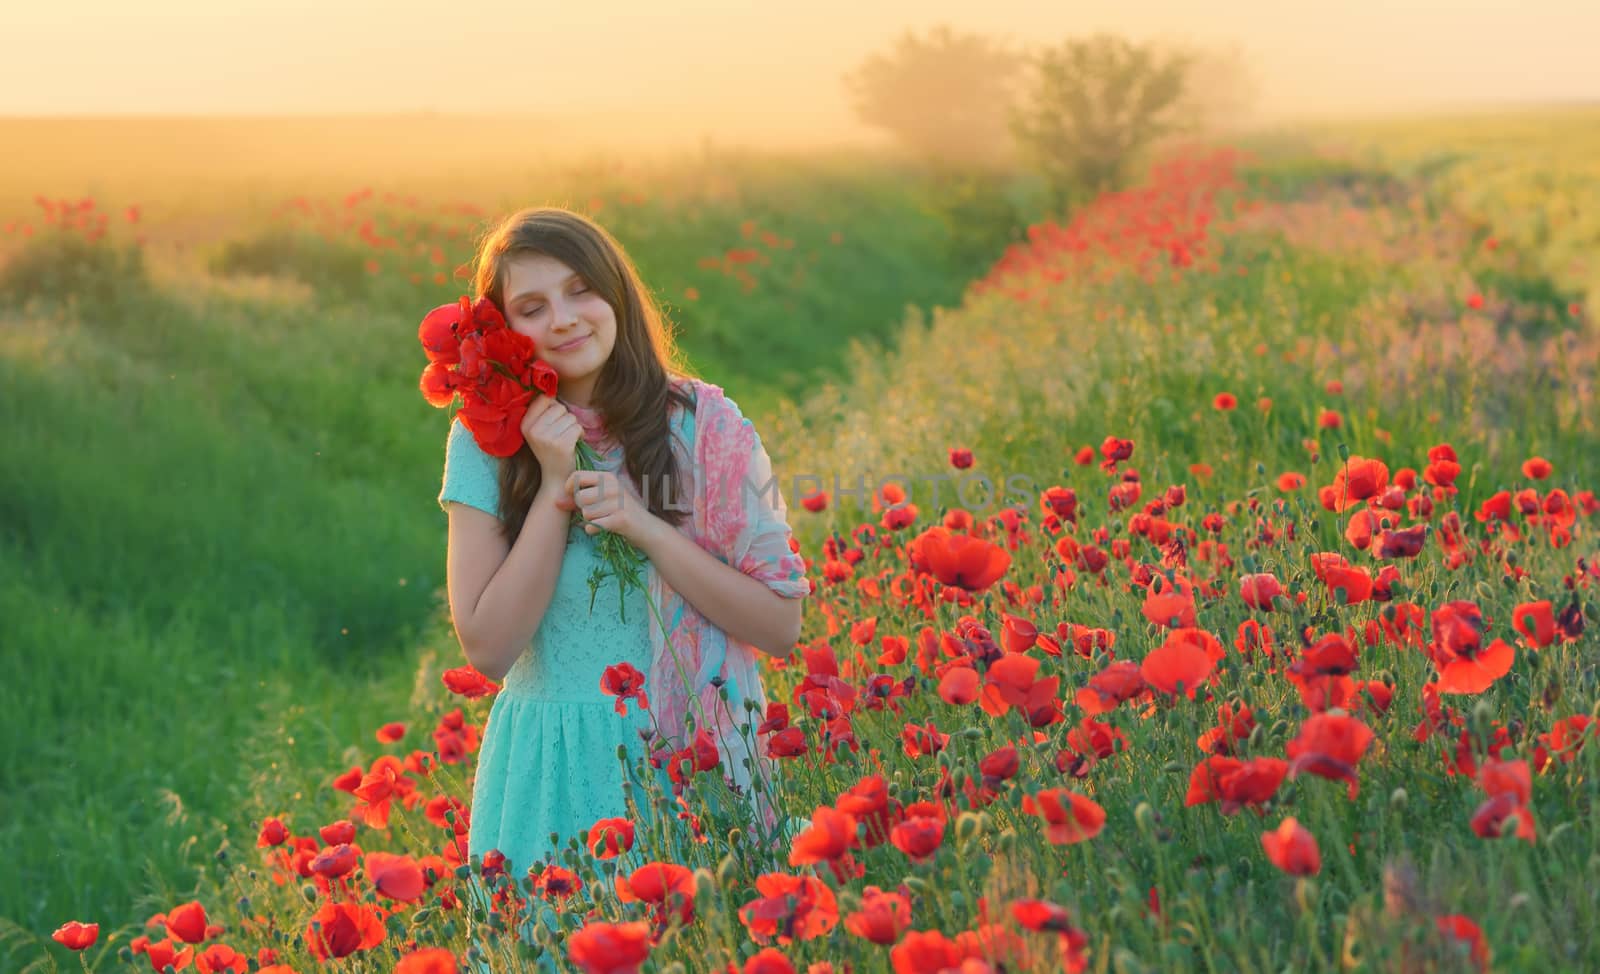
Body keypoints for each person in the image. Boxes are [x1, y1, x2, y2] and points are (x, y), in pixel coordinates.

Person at [434, 207, 811, 957]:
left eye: (581, 291)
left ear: (616, 294)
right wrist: (551, 484)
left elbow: (779, 626)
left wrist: (644, 527)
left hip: (691, 763)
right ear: (503, 332)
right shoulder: (485, 443)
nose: (566, 319)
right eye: (532, 308)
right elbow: (488, 646)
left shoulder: (707, 425)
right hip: (551, 771)